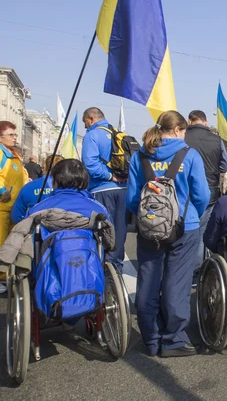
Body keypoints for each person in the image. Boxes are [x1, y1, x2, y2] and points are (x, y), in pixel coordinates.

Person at [126, 111, 210, 357]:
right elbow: (202, 195)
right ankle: (173, 341)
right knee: (177, 283)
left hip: (149, 227)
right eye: (184, 131)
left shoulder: (140, 155)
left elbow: (132, 199)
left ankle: (151, 340)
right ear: (176, 130)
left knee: (148, 282)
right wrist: (191, 214)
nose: (186, 136)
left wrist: (150, 218)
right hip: (184, 227)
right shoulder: (189, 155)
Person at [81, 107, 128, 272]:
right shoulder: (119, 134)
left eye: (85, 122)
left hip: (101, 189)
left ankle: (101, 270)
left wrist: (110, 177)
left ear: (91, 118)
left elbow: (90, 164)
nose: (85, 126)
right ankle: (117, 270)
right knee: (120, 232)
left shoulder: (92, 135)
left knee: (102, 231)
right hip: (124, 189)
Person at [184, 110, 227, 271]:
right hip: (209, 192)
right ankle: (197, 269)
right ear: (205, 121)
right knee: (202, 231)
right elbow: (224, 166)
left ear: (189, 121)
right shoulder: (216, 140)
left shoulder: (182, 136)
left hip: (183, 190)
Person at [28, 159, 110, 221]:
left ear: (55, 181)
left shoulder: (37, 209)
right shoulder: (98, 209)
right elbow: (108, 237)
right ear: (84, 180)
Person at [0, 121, 28, 294]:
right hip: (2, 207)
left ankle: (5, 276)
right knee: (1, 244)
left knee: (10, 245)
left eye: (15, 134)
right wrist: (2, 191)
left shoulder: (12, 154)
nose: (14, 137)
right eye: (11, 134)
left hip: (13, 208)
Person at [11, 155, 64, 223]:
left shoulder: (29, 187)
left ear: (45, 167)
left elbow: (16, 216)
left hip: (34, 229)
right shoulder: (71, 188)